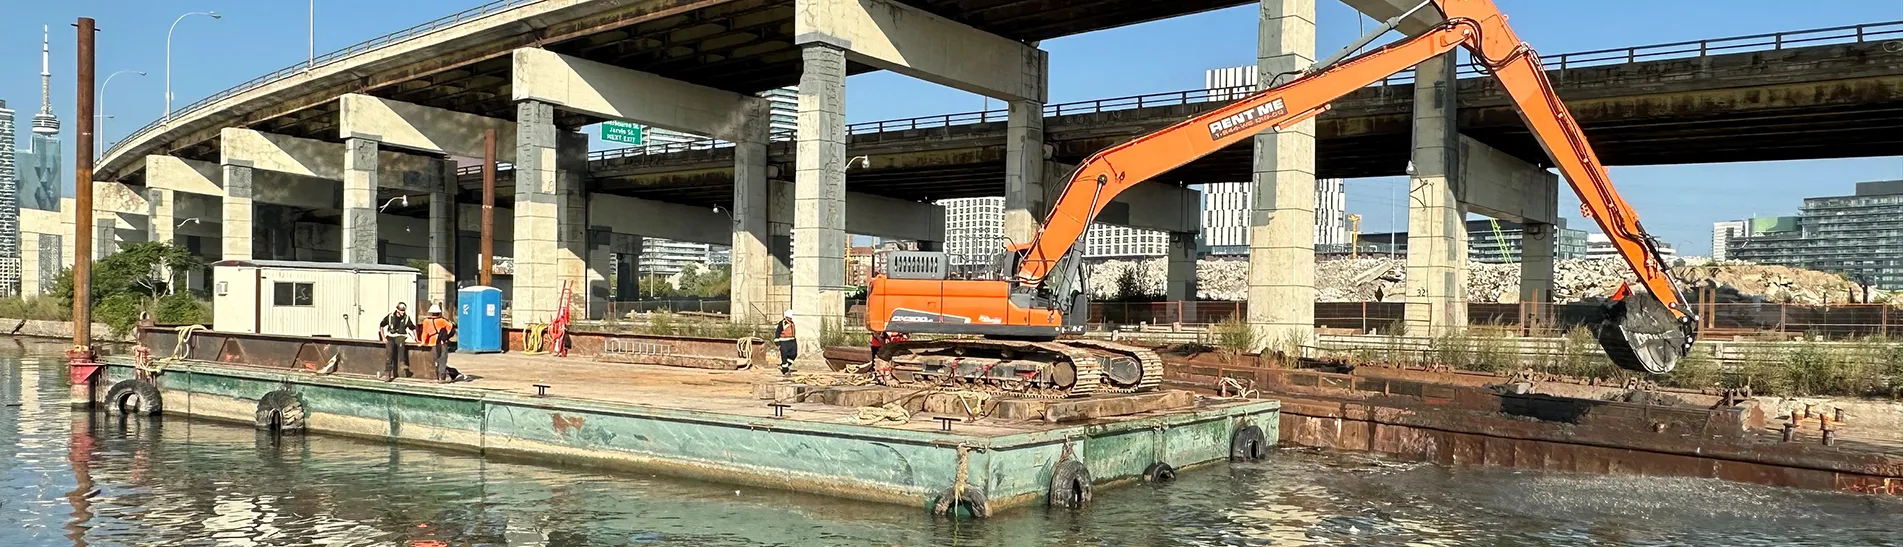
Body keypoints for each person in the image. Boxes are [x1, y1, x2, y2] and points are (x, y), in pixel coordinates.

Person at [419, 303, 458, 383]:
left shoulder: (426, 321)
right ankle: (442, 377)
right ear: (439, 312)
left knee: (435, 361)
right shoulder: (443, 321)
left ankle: (435, 376)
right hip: (442, 343)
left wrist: (423, 342)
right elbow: (451, 328)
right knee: (442, 361)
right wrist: (445, 338)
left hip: (431, 343)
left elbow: (424, 333)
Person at [377, 302, 416, 381]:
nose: (403, 312)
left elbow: (413, 328)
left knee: (401, 344)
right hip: (391, 336)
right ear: (397, 310)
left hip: (400, 336)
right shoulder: (390, 316)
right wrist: (383, 338)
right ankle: (387, 373)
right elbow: (381, 325)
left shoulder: (406, 318)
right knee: (389, 353)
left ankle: (402, 363)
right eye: (401, 310)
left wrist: (417, 339)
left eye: (404, 310)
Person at [773, 310, 798, 375]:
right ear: (787, 317)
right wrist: (777, 342)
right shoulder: (782, 323)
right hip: (784, 342)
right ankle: (784, 370)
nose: (791, 318)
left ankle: (785, 365)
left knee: (794, 354)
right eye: (790, 317)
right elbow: (777, 332)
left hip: (792, 341)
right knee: (784, 357)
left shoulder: (792, 323)